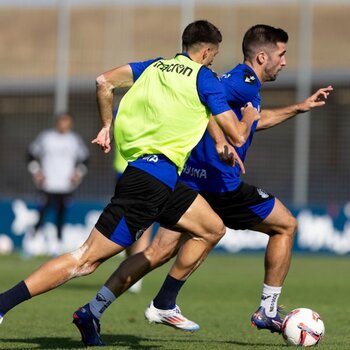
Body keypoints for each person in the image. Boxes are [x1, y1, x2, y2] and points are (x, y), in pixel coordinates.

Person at [0, 20, 259, 346]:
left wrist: (106, 125)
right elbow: (237, 134)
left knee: (211, 228)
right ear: (207, 51)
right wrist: (249, 117)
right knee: (85, 260)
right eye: (213, 55)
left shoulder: (154, 66)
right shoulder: (203, 78)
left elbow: (103, 81)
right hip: (148, 182)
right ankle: (3, 304)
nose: (212, 61)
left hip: (163, 179)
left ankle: (138, 306)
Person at [71, 24, 333, 346]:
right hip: (220, 186)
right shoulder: (243, 81)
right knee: (286, 225)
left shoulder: (242, 84)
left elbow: (247, 120)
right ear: (262, 56)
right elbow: (212, 107)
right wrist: (224, 144)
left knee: (159, 250)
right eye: (282, 55)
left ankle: (94, 309)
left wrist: (298, 108)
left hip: (191, 179)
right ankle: (265, 309)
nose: (284, 62)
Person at [27, 112, 89, 249]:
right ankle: (31, 243)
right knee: (41, 214)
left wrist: (78, 174)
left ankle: (57, 245)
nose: (63, 125)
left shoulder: (74, 140)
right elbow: (30, 154)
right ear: (57, 122)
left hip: (66, 186)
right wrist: (37, 172)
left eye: (66, 122)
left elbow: (85, 159)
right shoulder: (46, 137)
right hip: (47, 184)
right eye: (61, 121)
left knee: (61, 215)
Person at [113, 135, 153, 293]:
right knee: (131, 223)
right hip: (131, 170)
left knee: (145, 222)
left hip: (137, 170)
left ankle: (134, 274)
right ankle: (131, 269)